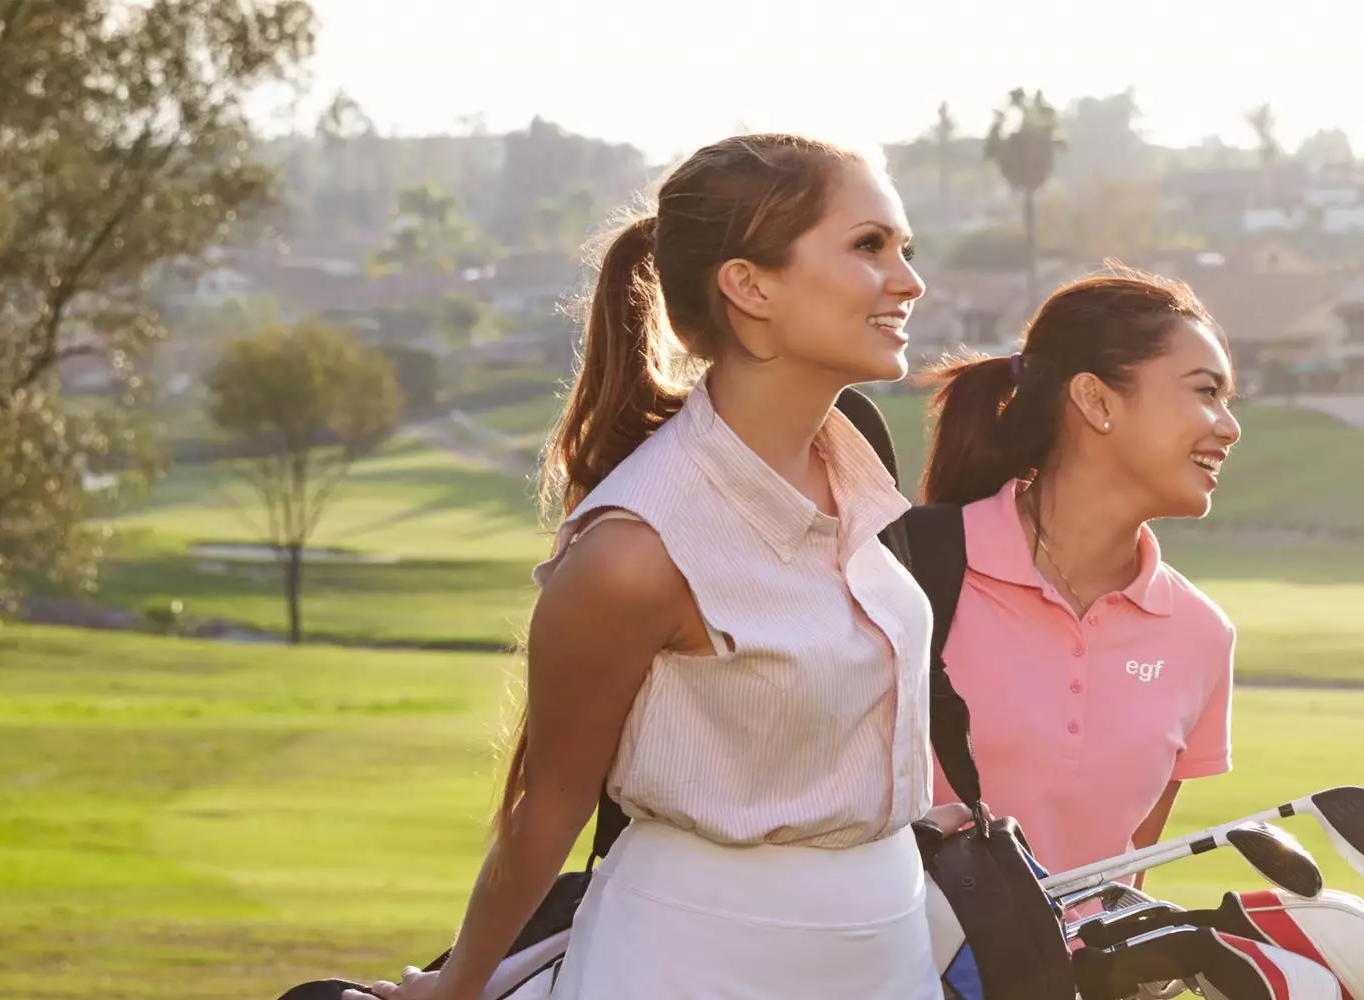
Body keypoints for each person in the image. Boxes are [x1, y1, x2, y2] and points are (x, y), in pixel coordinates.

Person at [354, 134, 952, 1000]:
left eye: (905, 248)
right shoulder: (635, 550)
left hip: (888, 951)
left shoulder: (857, 470)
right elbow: (546, 810)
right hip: (692, 961)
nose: (908, 279)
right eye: (868, 246)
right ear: (749, 287)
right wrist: (457, 988)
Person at [914, 269, 1241, 944]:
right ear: (1096, 401)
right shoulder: (907, 574)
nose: (1229, 427)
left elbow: (1121, 889)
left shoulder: (1201, 636)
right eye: (1206, 392)